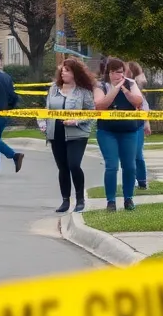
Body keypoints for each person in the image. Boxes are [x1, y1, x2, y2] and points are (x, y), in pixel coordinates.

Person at [38, 58, 96, 213]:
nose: (63, 72)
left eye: (67, 70)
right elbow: (46, 109)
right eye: (62, 70)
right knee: (62, 167)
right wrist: (42, 123)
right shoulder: (53, 89)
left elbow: (92, 112)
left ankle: (80, 200)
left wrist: (76, 120)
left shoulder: (84, 92)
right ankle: (65, 200)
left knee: (74, 165)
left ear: (75, 73)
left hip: (77, 134)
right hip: (56, 133)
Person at [92, 58, 147, 212]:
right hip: (107, 131)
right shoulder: (100, 86)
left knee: (129, 166)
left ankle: (128, 199)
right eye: (115, 72)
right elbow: (100, 105)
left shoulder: (130, 83)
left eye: (121, 72)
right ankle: (111, 201)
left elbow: (138, 102)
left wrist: (125, 90)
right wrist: (115, 88)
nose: (118, 75)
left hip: (129, 131)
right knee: (112, 166)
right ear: (108, 73)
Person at [126, 61, 151, 189]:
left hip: (137, 125)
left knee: (137, 154)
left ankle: (141, 180)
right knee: (127, 155)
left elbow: (144, 106)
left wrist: (146, 122)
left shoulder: (135, 88)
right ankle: (130, 180)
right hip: (124, 125)